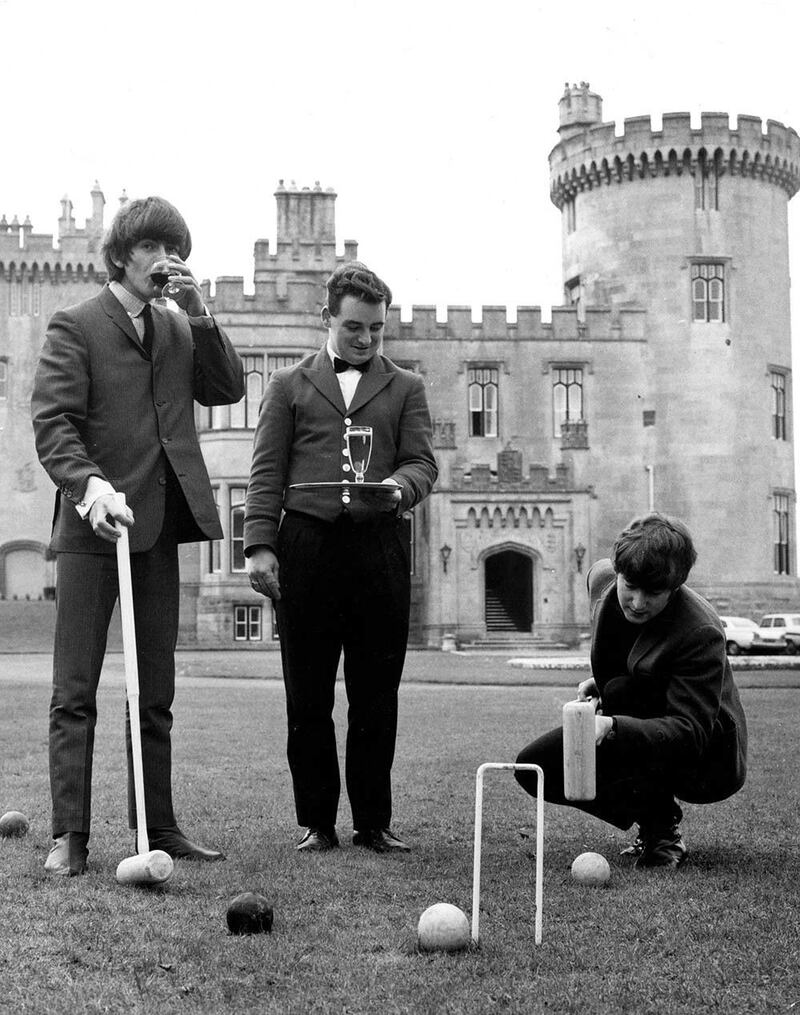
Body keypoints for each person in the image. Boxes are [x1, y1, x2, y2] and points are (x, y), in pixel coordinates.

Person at [31, 196, 244, 875]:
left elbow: (227, 386)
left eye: (174, 247)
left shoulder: (181, 329)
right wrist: (89, 488)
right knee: (76, 689)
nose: (166, 259)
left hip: (159, 528)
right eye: (152, 246)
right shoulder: (76, 325)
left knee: (155, 689)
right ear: (122, 254)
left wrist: (202, 313)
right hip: (95, 530)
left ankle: (158, 824)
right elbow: (54, 423)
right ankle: (70, 836)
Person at [244, 262, 438, 854]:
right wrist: (259, 546)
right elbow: (266, 473)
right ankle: (317, 824)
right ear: (325, 318)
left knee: (376, 694)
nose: (365, 340)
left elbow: (423, 464)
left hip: (379, 549)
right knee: (307, 697)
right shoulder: (287, 386)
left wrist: (402, 488)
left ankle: (374, 823)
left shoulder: (406, 388)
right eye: (354, 327)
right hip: (307, 549)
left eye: (376, 330)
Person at [515, 513, 747, 869]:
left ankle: (661, 833)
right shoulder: (602, 579)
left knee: (625, 694)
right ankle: (655, 813)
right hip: (641, 714)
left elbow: (690, 731)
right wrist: (603, 683)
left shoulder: (700, 631)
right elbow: (632, 653)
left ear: (675, 586)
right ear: (618, 573)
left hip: (708, 753)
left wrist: (612, 724)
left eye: (653, 593)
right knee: (534, 766)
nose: (637, 602)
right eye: (631, 587)